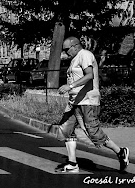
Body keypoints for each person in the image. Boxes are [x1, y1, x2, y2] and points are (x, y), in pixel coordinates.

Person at [55, 36, 130, 173]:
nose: (66, 53)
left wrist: (70, 86)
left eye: (67, 49)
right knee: (66, 130)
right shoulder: (74, 59)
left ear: (75, 45)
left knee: (93, 133)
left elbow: (89, 76)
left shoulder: (85, 55)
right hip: (74, 101)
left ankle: (120, 152)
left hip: (88, 100)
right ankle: (72, 164)